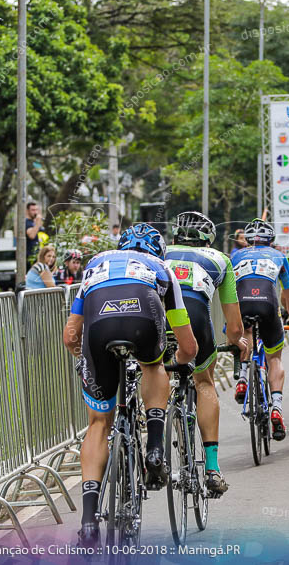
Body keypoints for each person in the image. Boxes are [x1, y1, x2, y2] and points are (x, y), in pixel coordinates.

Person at [61, 223, 198, 547]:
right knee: (153, 366)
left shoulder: (96, 263)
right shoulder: (162, 268)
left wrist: (86, 359)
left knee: (98, 423)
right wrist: (176, 359)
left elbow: (70, 335)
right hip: (143, 317)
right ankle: (153, 448)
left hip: (98, 330)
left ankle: (89, 520)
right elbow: (189, 347)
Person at [164, 211, 249, 496]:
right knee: (204, 382)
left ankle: (154, 426)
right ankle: (212, 468)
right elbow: (235, 326)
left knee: (154, 368)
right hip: (197, 319)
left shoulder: (159, 253)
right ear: (208, 239)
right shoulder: (220, 259)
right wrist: (236, 342)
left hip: (158, 318)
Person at [231, 219, 289, 440]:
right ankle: (277, 406)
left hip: (242, 303)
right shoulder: (279, 256)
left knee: (246, 333)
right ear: (271, 240)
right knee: (274, 358)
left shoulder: (235, 256)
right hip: (269, 305)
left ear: (248, 240)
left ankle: (242, 377)